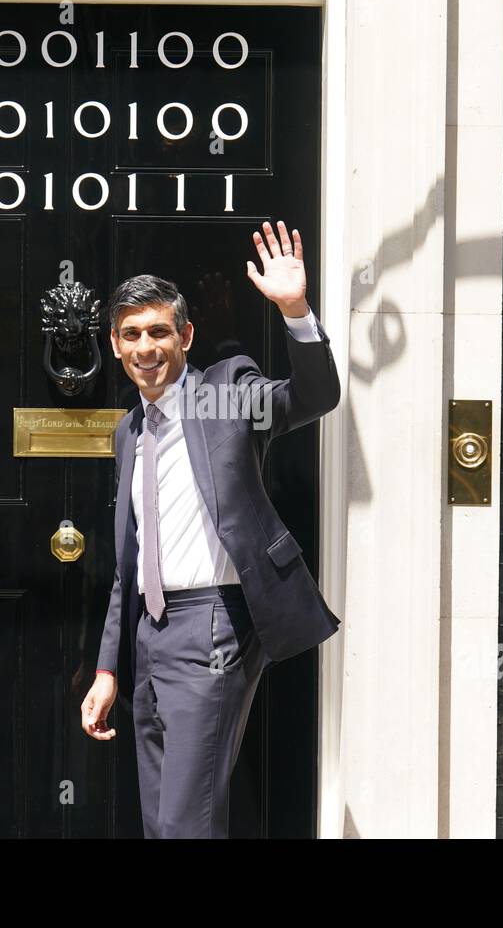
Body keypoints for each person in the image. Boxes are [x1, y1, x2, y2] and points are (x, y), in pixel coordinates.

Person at [80, 220, 342, 838]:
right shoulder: (128, 433)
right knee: (162, 822)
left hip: (214, 626)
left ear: (186, 336)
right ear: (116, 346)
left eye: (160, 331)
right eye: (132, 334)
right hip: (151, 634)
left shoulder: (224, 392)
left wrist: (295, 308)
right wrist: (107, 668)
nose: (147, 347)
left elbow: (315, 394)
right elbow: (127, 566)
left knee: (184, 825)